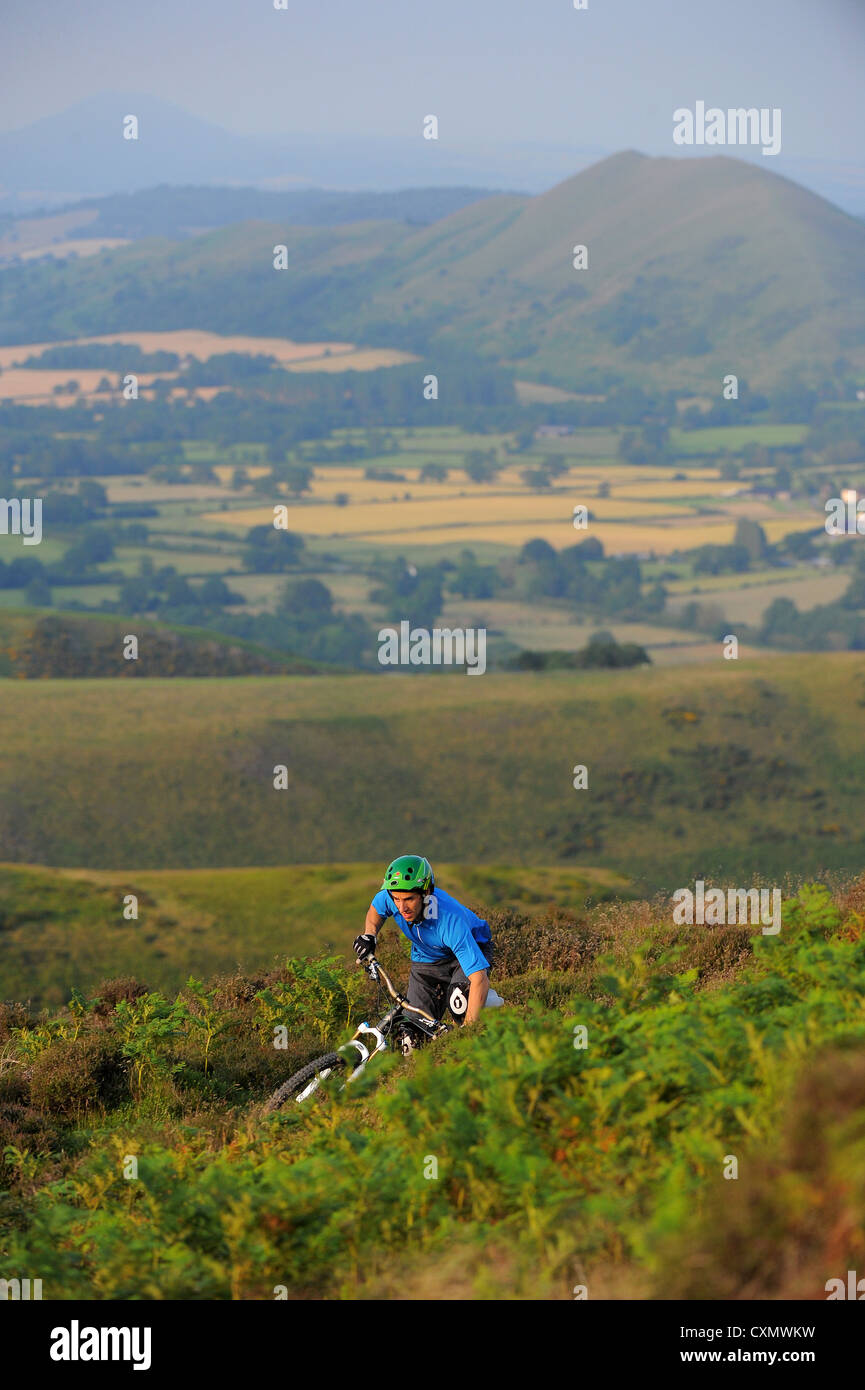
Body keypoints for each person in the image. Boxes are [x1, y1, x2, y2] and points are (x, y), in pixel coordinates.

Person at [353, 854, 495, 1025]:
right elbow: (376, 909)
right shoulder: (392, 898)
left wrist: (469, 1031)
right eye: (396, 899)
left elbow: (479, 978)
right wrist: (370, 935)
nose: (401, 907)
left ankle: (490, 1013)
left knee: (461, 1002)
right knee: (411, 1032)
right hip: (426, 957)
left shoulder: (450, 921)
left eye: (409, 899)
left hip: (468, 950)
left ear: (426, 892)